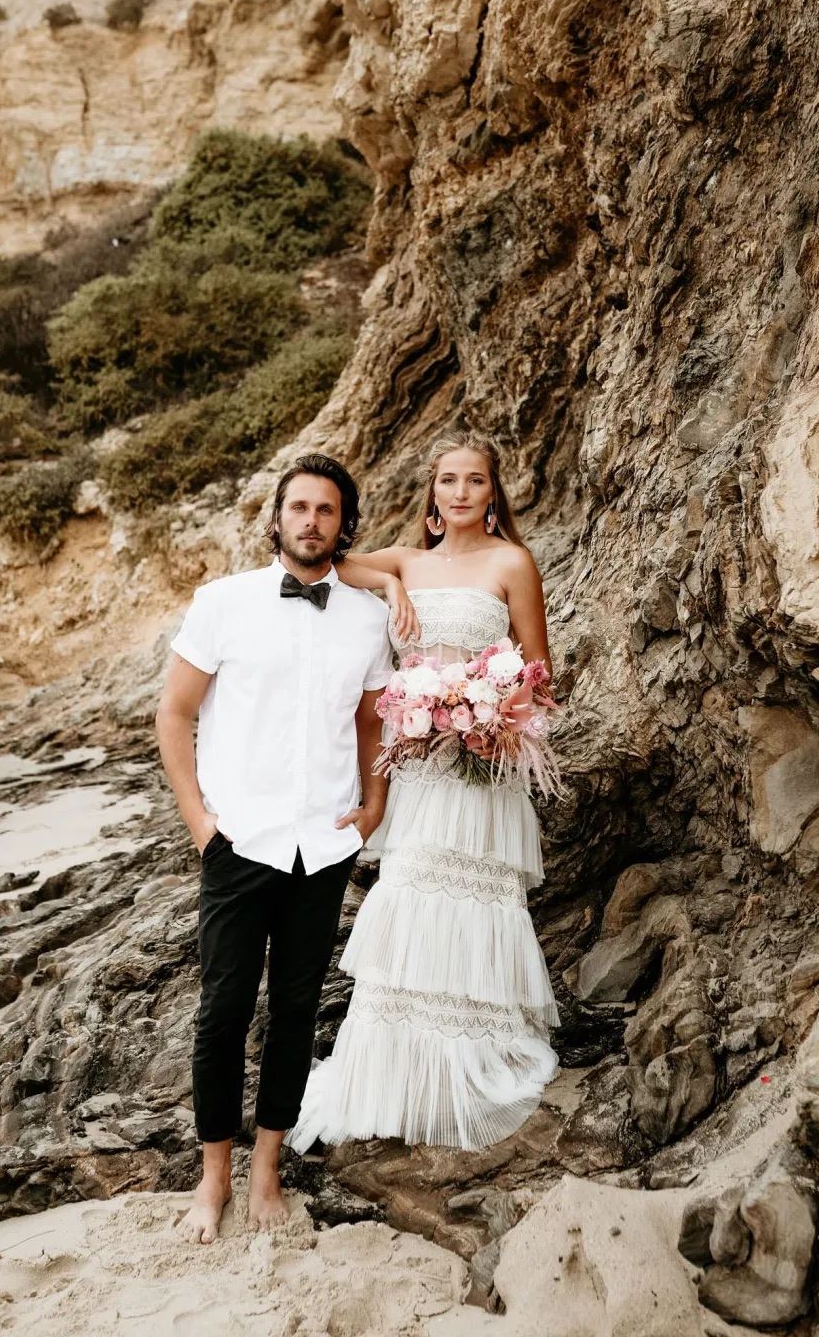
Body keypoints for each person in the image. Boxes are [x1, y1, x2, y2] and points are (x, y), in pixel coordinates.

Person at [155, 453, 413, 1244]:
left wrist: (375, 803)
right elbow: (173, 714)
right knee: (224, 1011)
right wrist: (202, 824)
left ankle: (267, 1165)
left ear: (344, 524)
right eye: (298, 507)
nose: (311, 521)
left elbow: (372, 719)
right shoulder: (223, 602)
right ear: (276, 519)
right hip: (240, 840)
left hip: (325, 843)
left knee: (298, 1010)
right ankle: (212, 1179)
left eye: (326, 510)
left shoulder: (367, 618)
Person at [287, 430, 559, 1155]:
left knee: (472, 900)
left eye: (474, 481)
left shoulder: (512, 562)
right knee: (409, 894)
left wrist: (491, 714)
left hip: (479, 763)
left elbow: (538, 674)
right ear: (432, 494)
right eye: (448, 481)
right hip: (417, 768)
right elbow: (332, 566)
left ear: (493, 493)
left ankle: (471, 1060)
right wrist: (396, 583)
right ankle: (396, 1071)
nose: (460, 492)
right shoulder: (406, 558)